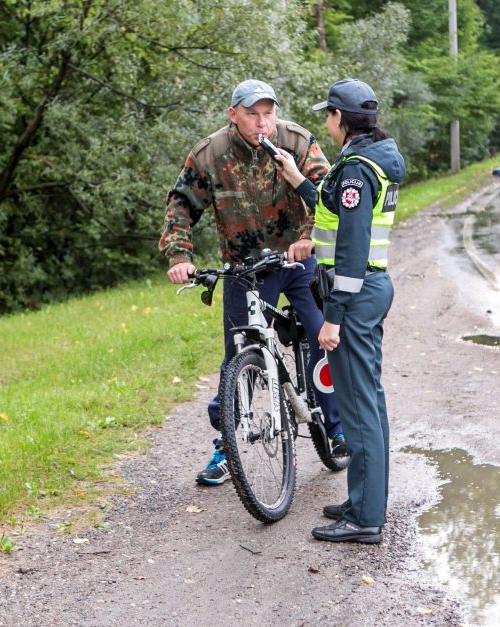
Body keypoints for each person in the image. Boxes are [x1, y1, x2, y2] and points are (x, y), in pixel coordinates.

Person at [159, 79, 347, 486]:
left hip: (296, 261)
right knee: (239, 354)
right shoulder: (210, 153)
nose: (262, 123)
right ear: (233, 114)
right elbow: (180, 206)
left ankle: (335, 429)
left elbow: (328, 195)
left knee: (321, 338)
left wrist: (308, 236)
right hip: (245, 270)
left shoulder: (295, 141)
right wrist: (179, 256)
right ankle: (227, 445)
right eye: (252, 114)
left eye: (268, 113)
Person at [278, 78, 404, 543]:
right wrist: (297, 179)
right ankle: (363, 500)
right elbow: (334, 216)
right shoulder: (369, 161)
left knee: (359, 408)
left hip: (356, 291)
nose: (325, 123)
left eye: (327, 115)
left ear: (339, 119)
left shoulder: (355, 170)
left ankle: (366, 518)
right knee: (367, 401)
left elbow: (350, 248)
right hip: (369, 288)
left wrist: (333, 316)